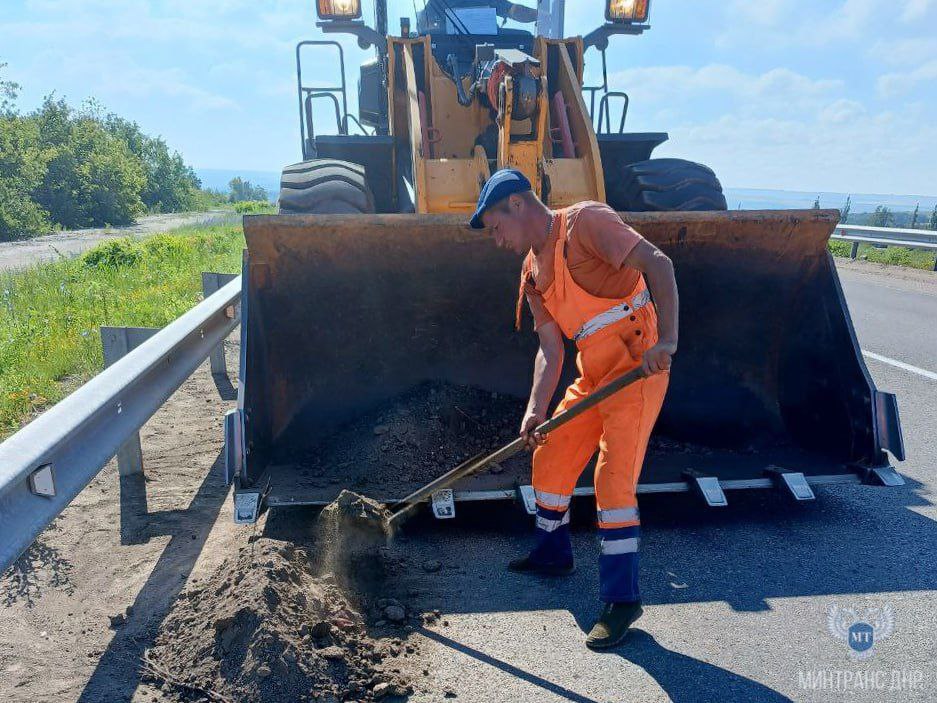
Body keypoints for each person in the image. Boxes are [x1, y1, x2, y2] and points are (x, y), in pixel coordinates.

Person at [469, 169, 677, 649]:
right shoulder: (530, 272)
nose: (496, 239)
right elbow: (550, 349)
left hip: (637, 361)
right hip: (594, 372)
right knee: (552, 452)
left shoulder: (585, 223)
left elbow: (659, 264)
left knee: (612, 478)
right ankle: (551, 553)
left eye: (496, 226)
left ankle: (622, 600)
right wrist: (535, 410)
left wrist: (668, 339)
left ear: (517, 205)